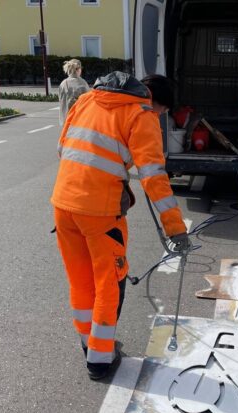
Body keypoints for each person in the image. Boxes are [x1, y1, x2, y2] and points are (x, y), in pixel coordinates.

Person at [51, 72, 191, 380]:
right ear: (153, 100)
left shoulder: (86, 100)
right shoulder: (141, 114)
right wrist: (175, 228)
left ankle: (88, 343)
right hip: (99, 213)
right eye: (163, 111)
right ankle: (100, 360)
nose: (161, 117)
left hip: (63, 203)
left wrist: (114, 181)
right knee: (109, 283)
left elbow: (64, 148)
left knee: (80, 279)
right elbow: (153, 176)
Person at [58, 59, 90, 125]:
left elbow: (60, 99)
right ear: (78, 69)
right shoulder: (82, 83)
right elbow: (88, 101)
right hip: (78, 120)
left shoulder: (63, 83)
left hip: (65, 118)